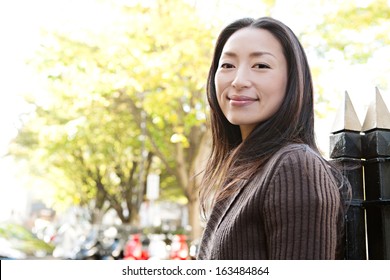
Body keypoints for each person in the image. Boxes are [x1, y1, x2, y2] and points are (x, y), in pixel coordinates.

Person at [197, 17, 350, 260]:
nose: (238, 80)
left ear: (291, 81)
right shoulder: (245, 170)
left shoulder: (295, 167)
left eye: (261, 66)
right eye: (227, 65)